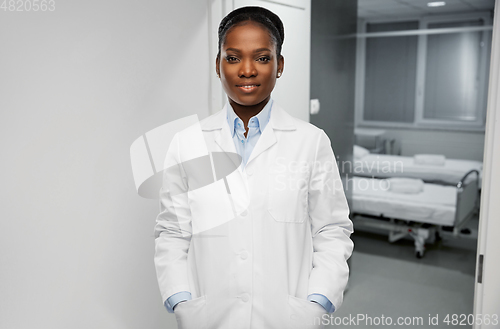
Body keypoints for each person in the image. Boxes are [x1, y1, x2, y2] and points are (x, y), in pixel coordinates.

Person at [154, 6, 353, 329]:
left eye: (262, 57)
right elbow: (173, 232)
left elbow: (331, 230)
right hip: (209, 317)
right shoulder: (187, 143)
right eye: (232, 58)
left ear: (279, 66)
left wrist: (318, 302)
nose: (247, 70)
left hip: (286, 318)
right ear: (218, 66)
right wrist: (181, 299)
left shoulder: (311, 142)